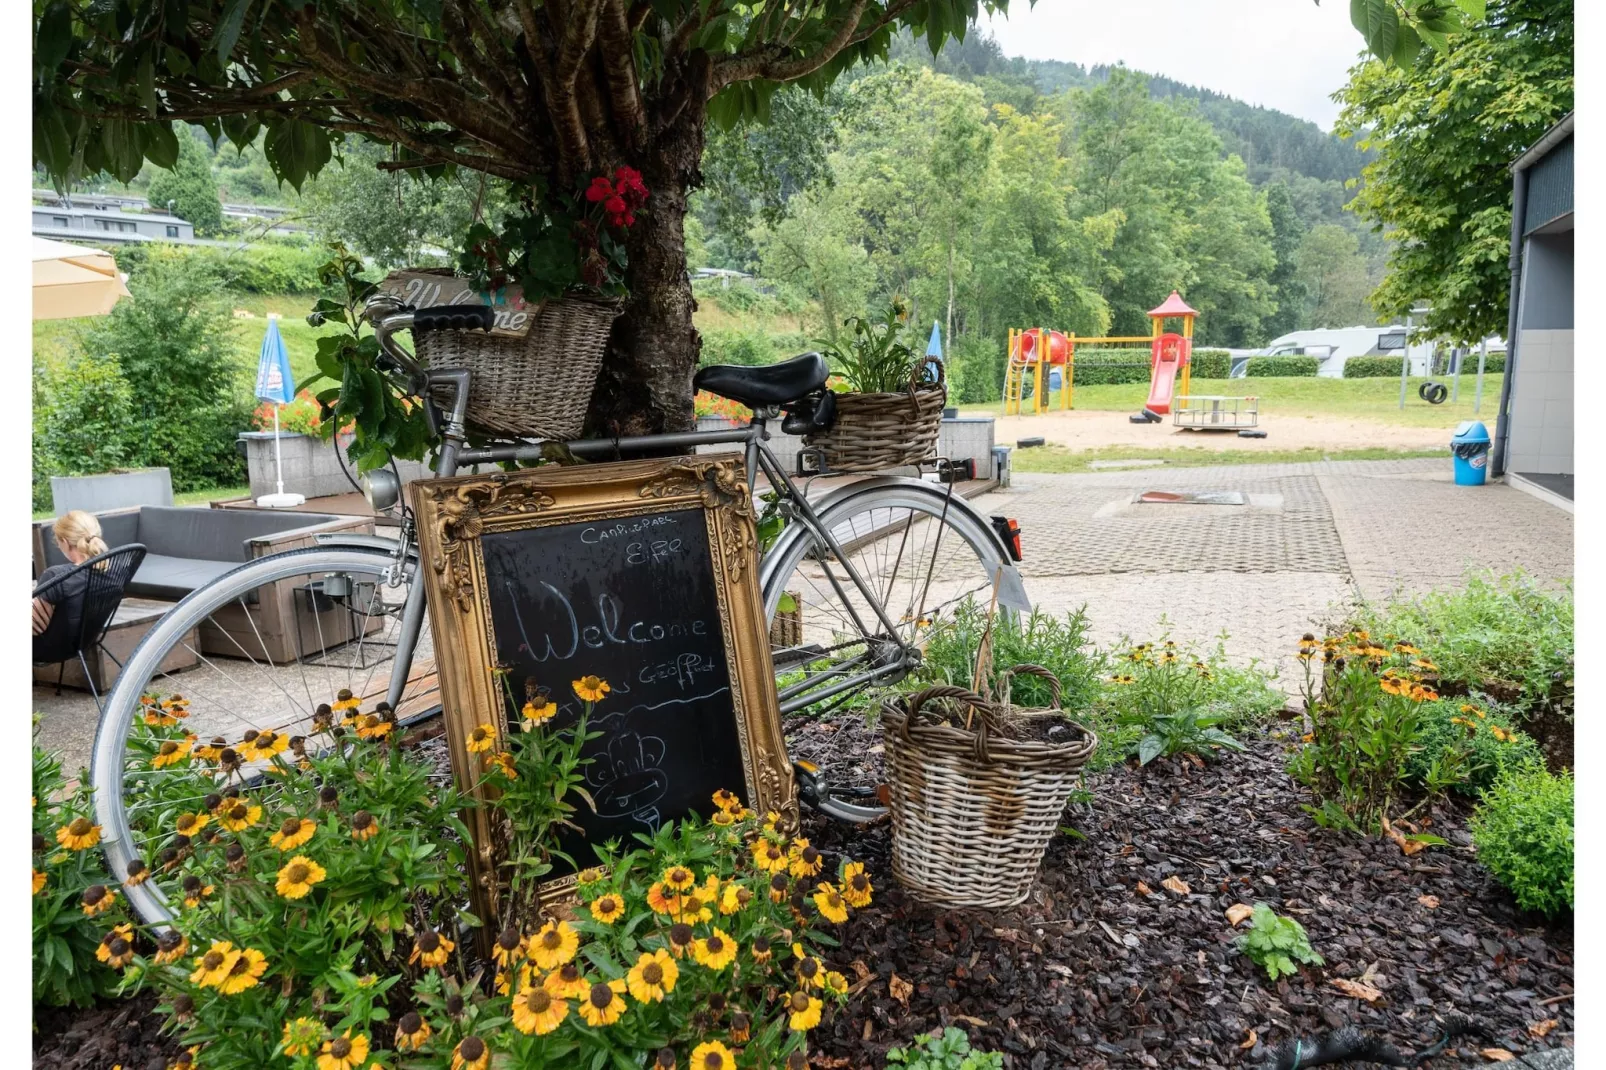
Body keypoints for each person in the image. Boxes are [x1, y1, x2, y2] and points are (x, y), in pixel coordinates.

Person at [32, 510, 109, 659]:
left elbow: (36, 627)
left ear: (65, 542)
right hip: (85, 641)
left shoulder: (56, 576)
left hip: (49, 648)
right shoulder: (112, 570)